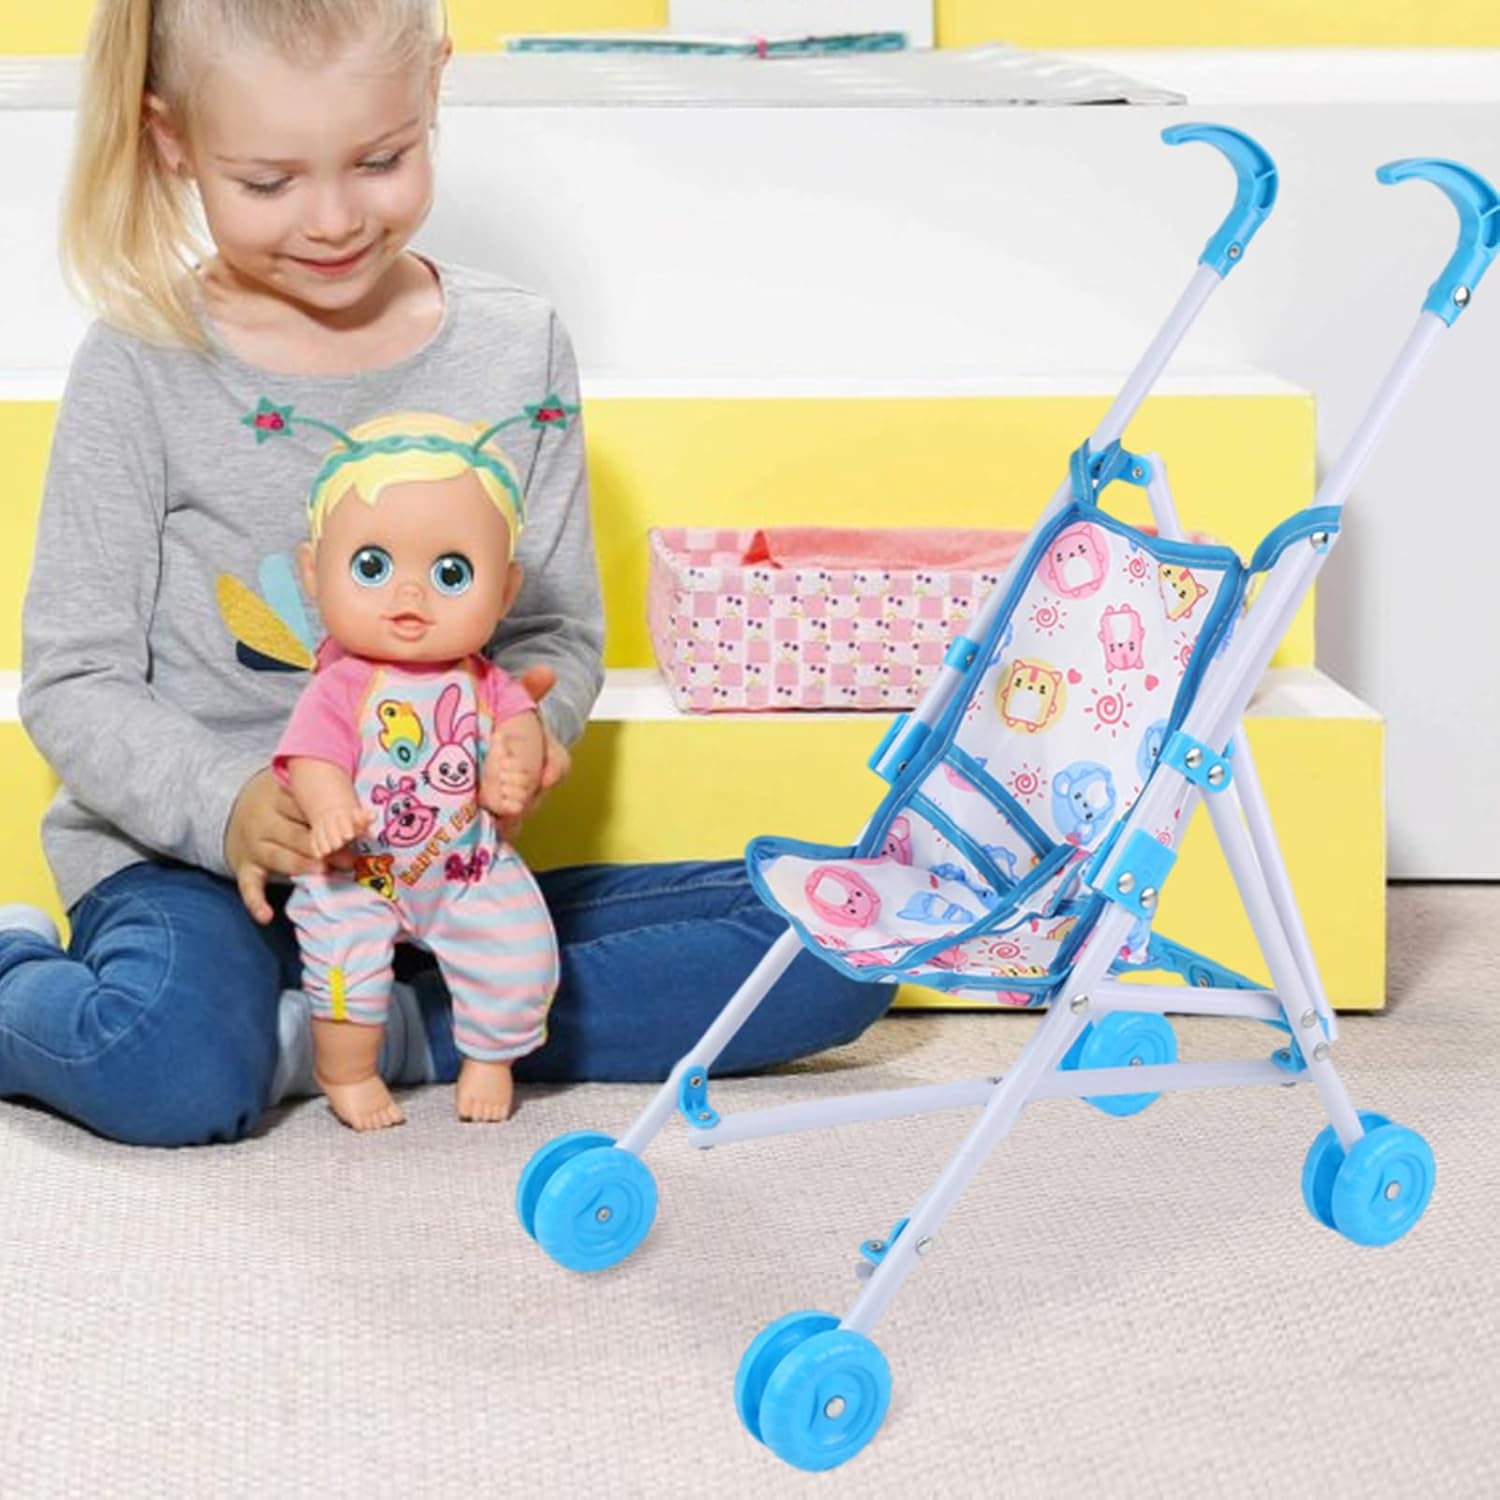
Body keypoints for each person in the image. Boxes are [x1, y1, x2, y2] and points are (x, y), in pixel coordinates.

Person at [0, 0, 889, 1148]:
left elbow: (553, 633)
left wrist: (530, 733)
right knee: (159, 1067)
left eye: (380, 160)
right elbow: (74, 678)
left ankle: (361, 1031)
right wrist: (231, 808)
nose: (333, 219)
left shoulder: (516, 346)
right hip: (201, 872)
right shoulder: (143, 357)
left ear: (433, 92)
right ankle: (75, 976)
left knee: (842, 949)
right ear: (172, 140)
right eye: (268, 182)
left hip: (439, 871)